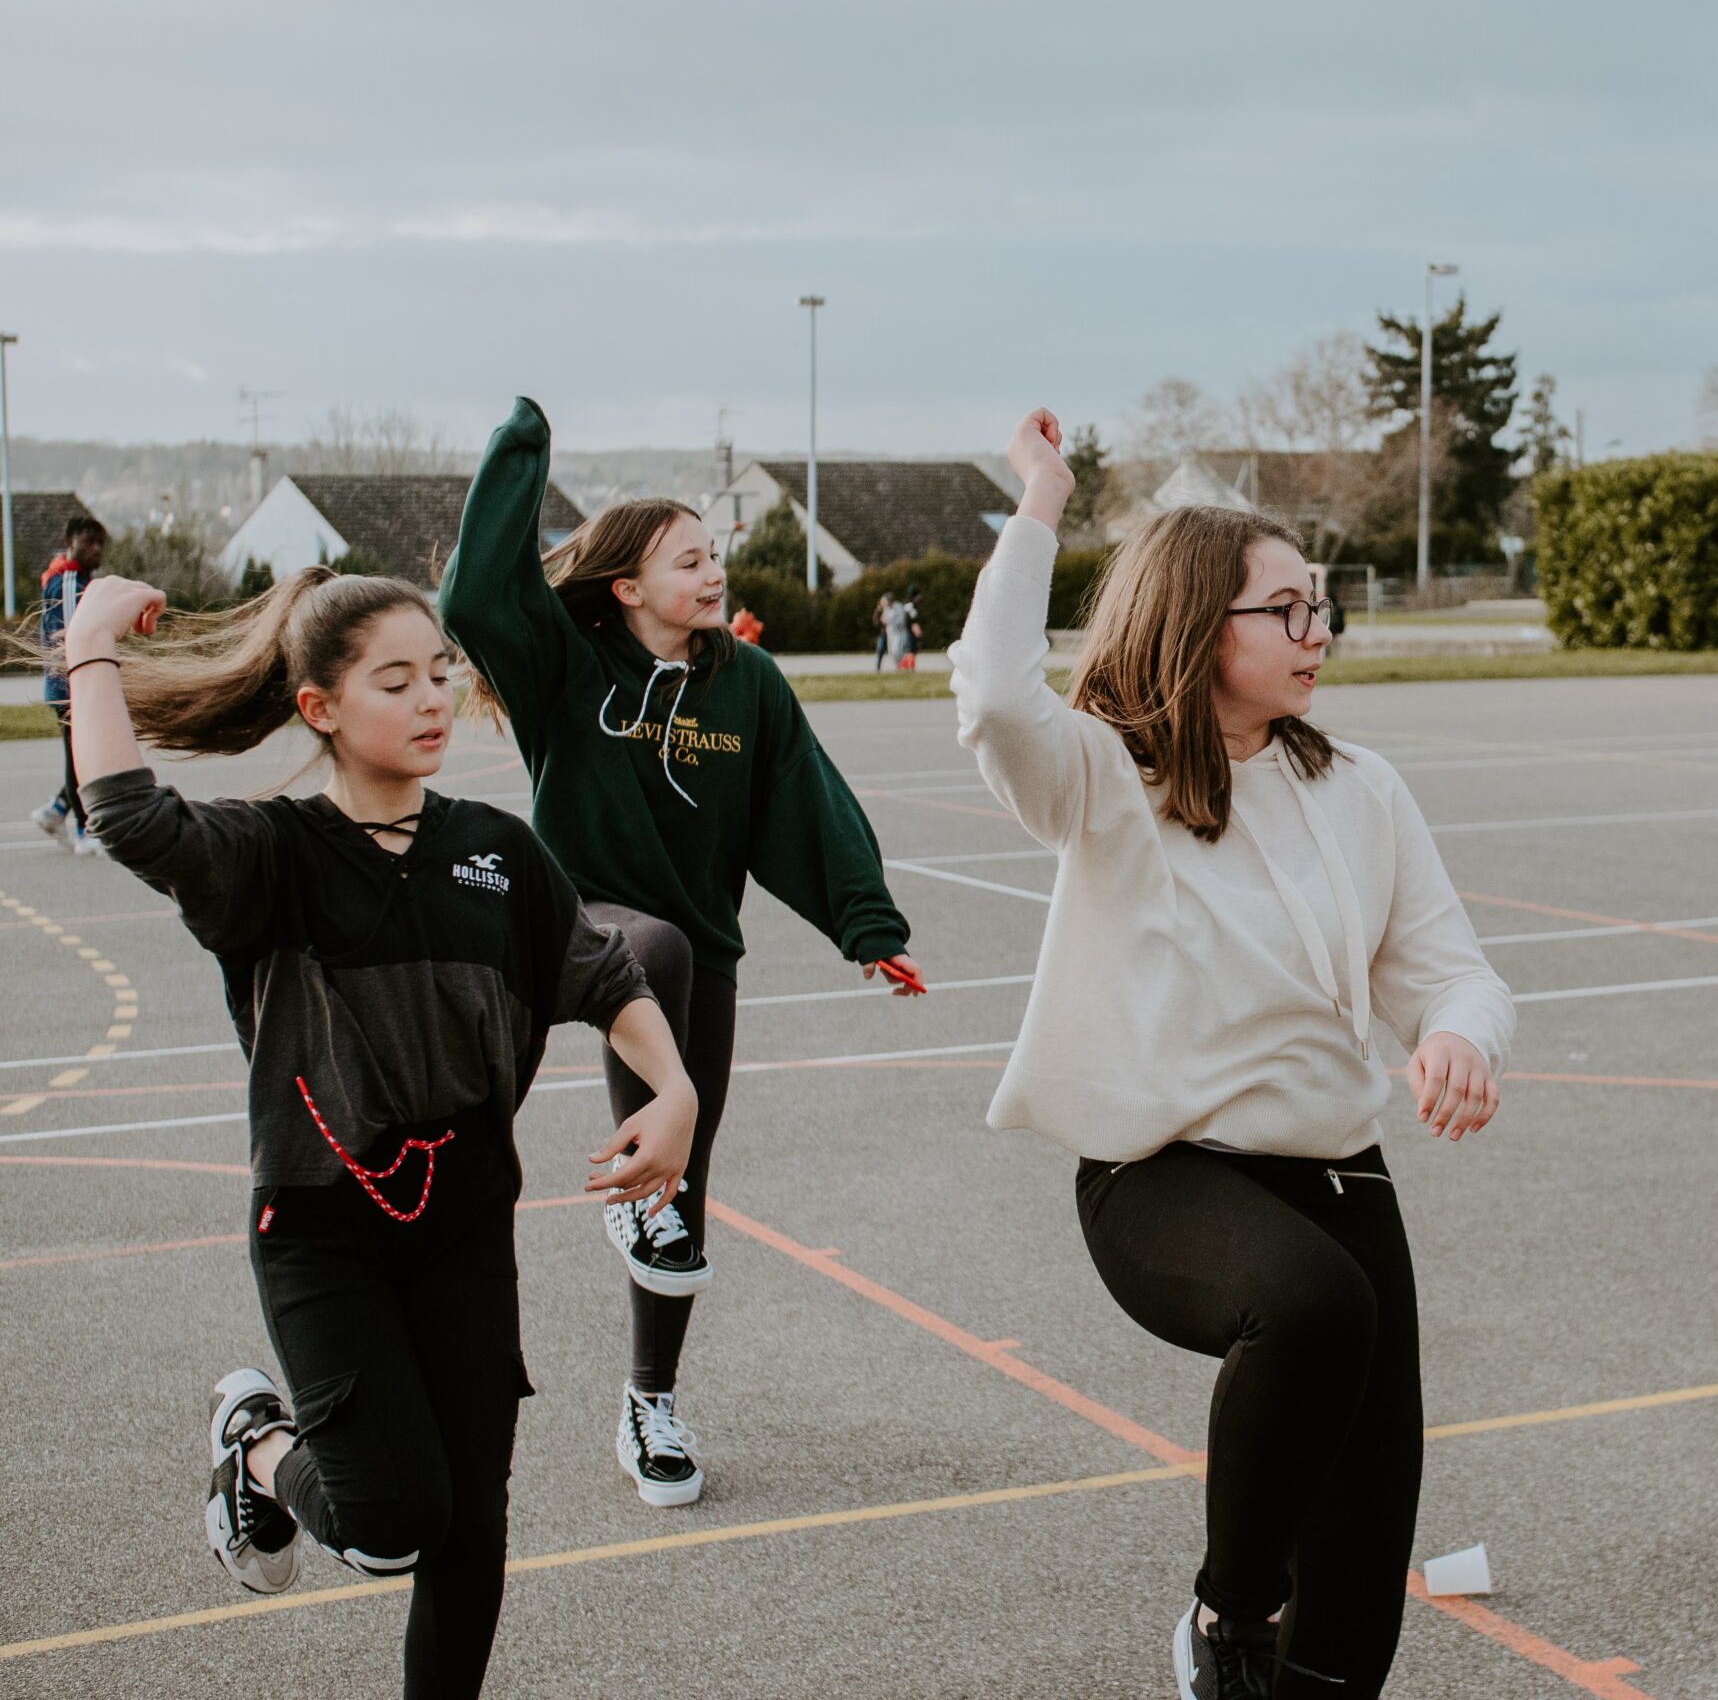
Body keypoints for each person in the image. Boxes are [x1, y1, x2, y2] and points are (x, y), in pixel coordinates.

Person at [50, 565, 696, 1698]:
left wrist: (674, 1094)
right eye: (395, 681)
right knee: (391, 1525)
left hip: (462, 1224)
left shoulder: (497, 851)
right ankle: (255, 1439)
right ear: (322, 708)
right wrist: (92, 646)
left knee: (470, 1532)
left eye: (440, 672)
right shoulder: (272, 860)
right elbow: (130, 817)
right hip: (322, 1229)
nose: (433, 699)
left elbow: (604, 977)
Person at [951, 410, 1513, 1700]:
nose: (1318, 633)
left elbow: (1452, 971)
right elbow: (990, 694)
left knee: (1363, 1584)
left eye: (1323, 610)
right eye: (1288, 611)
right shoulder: (1102, 780)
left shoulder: (1359, 787)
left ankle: (1287, 1661)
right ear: (1202, 626)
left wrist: (1455, 1035)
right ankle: (1226, 1617)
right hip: (1162, 1177)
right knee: (1311, 1305)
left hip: (1338, 1177)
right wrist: (1041, 497)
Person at [441, 399, 924, 1510]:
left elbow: (806, 802)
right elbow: (473, 596)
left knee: (684, 1175)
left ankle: (648, 1400)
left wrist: (869, 927)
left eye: (717, 556)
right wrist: (522, 450)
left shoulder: (745, 685)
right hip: (574, 921)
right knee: (644, 945)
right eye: (690, 560)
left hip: (698, 954)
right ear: (626, 586)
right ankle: (633, 1193)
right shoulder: (564, 663)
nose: (715, 574)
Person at [30, 512, 108, 854]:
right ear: (70, 542)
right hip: (71, 687)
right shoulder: (67, 582)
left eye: (100, 544)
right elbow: (72, 638)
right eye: (88, 542)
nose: (95, 549)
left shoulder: (78, 581)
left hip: (79, 686)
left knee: (86, 754)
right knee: (81, 757)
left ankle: (56, 809)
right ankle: (83, 830)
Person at [871, 589, 894, 671]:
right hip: (883, 634)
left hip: (892, 633)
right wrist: (881, 619)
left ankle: (898, 666)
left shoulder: (892, 609)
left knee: (894, 651)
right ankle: (878, 667)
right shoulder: (879, 610)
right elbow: (875, 622)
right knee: (880, 650)